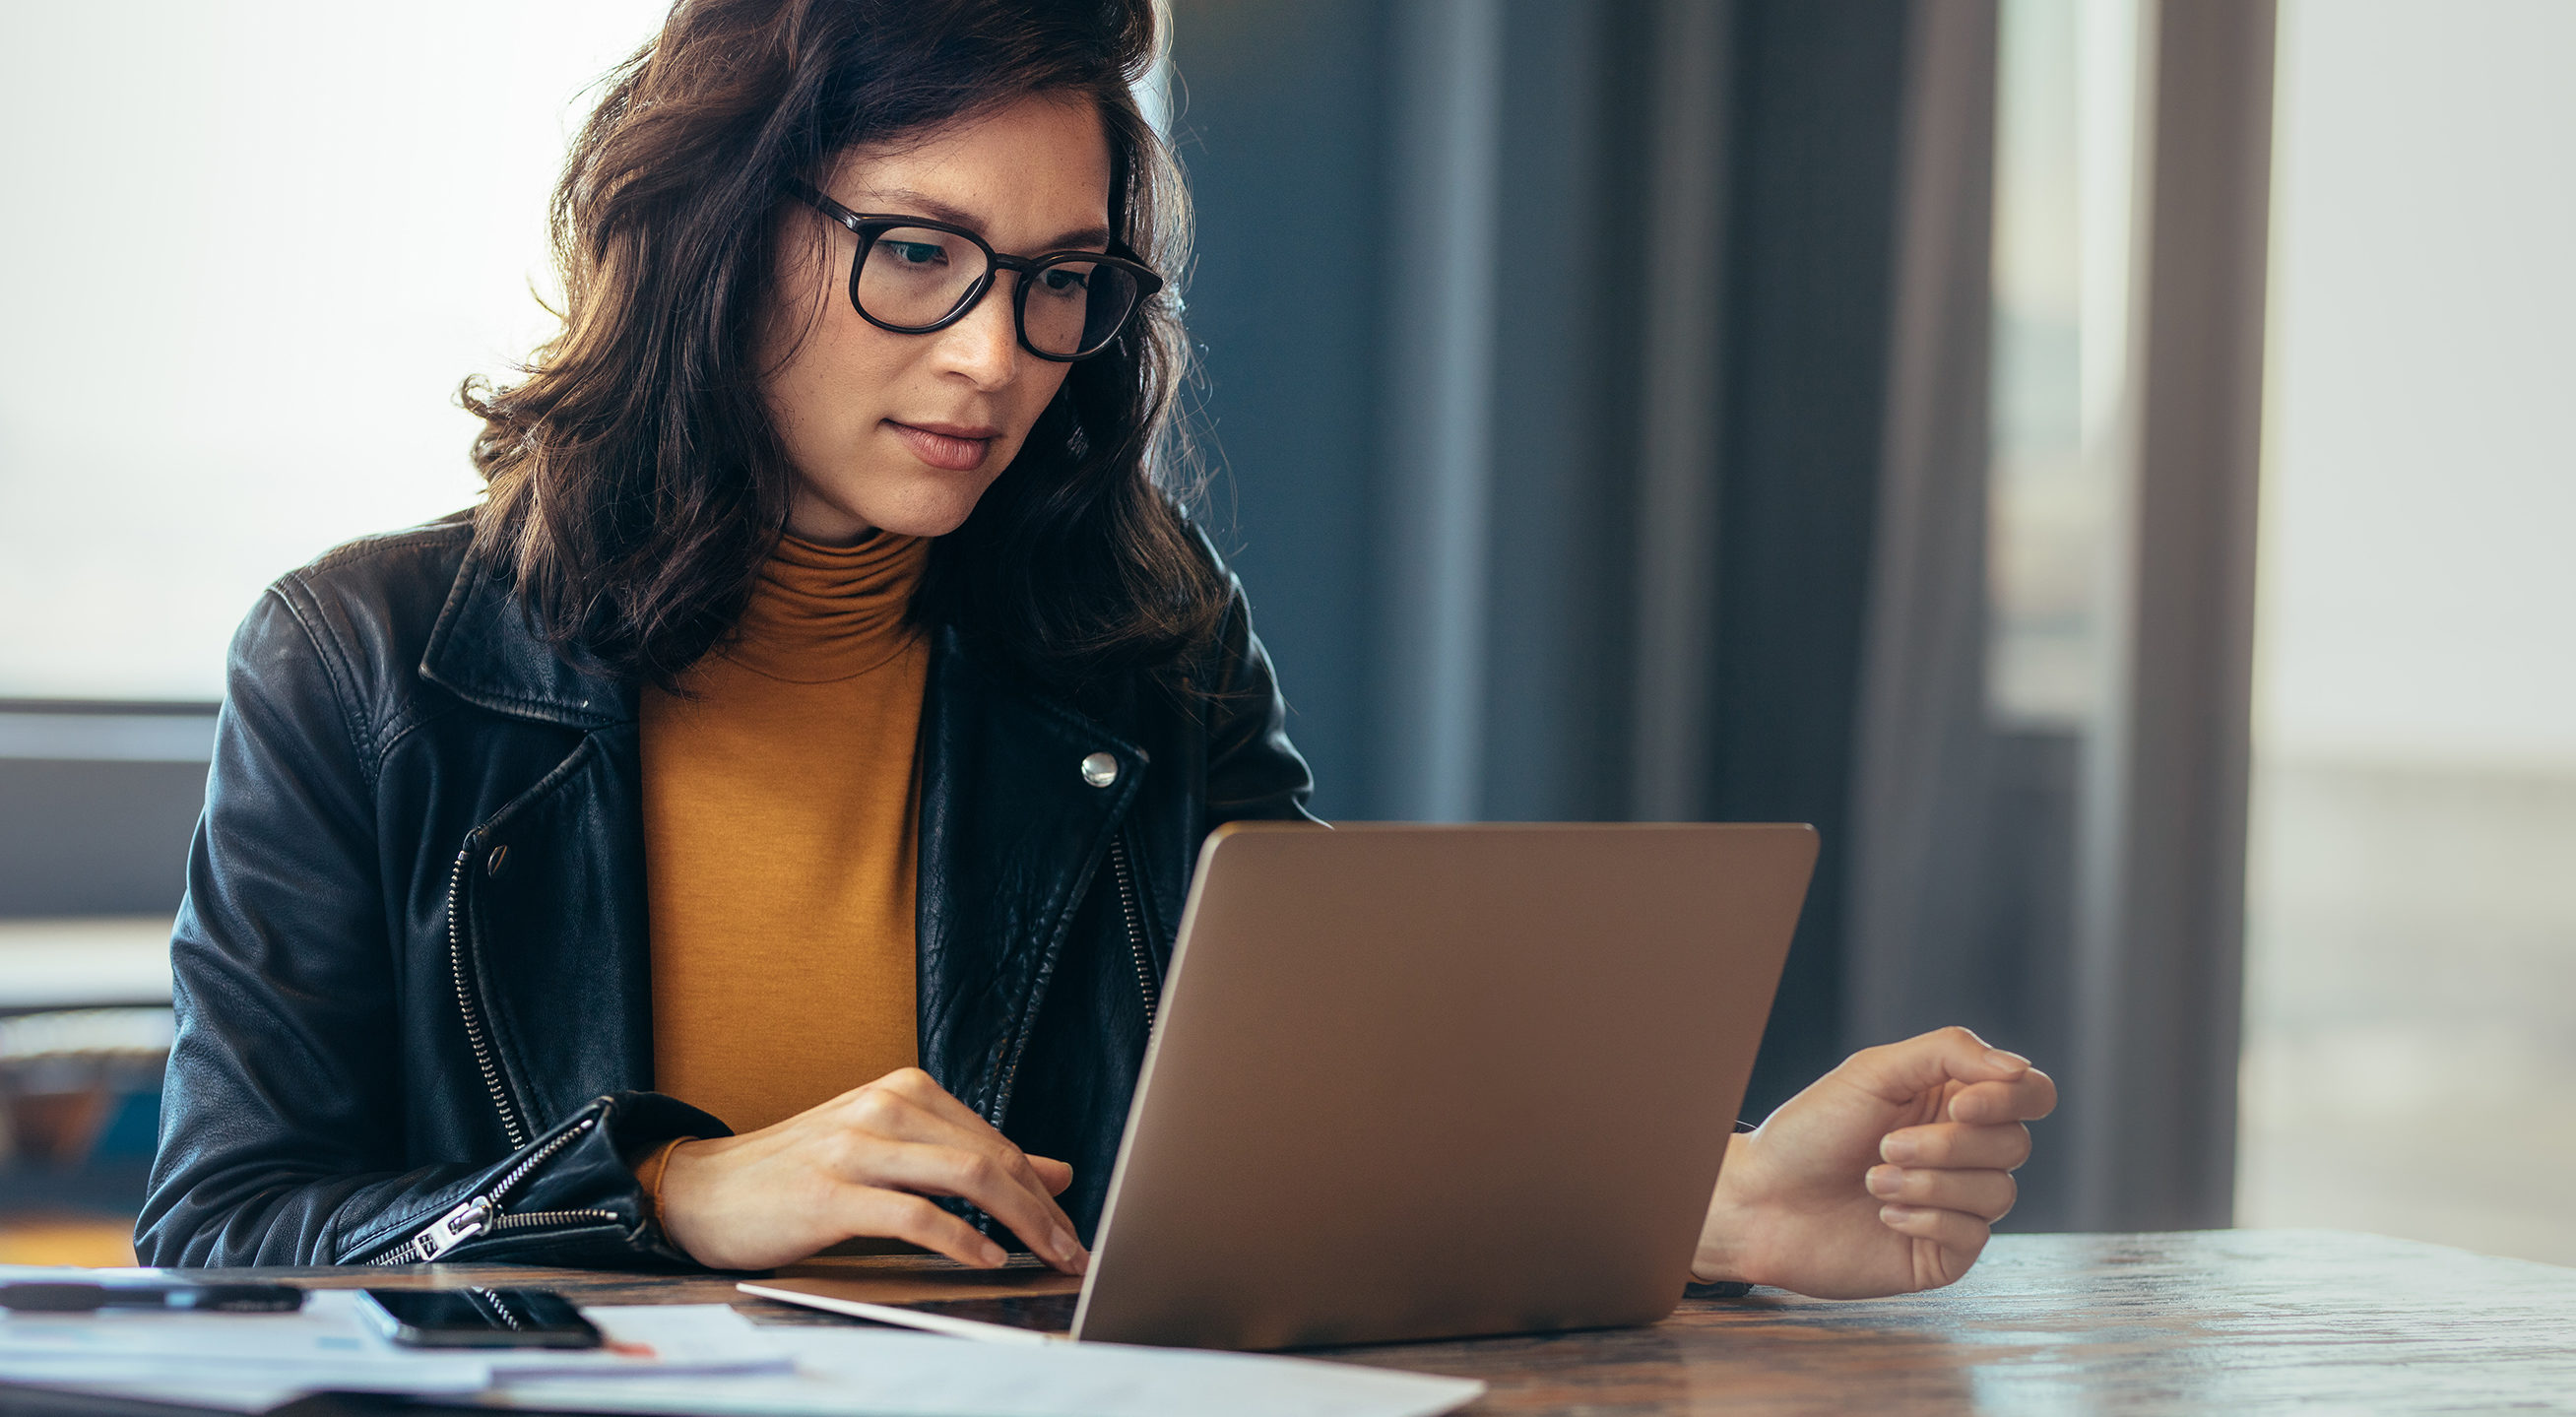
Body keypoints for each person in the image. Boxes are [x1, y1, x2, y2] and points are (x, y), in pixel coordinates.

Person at [135, 0, 2055, 1301]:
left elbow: (1314, 1125)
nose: (994, 355)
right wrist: (667, 1198)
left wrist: (1708, 1199)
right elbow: (223, 1232)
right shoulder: (369, 662)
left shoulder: (1139, 629)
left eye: (1061, 281)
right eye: (916, 252)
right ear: (715, 233)